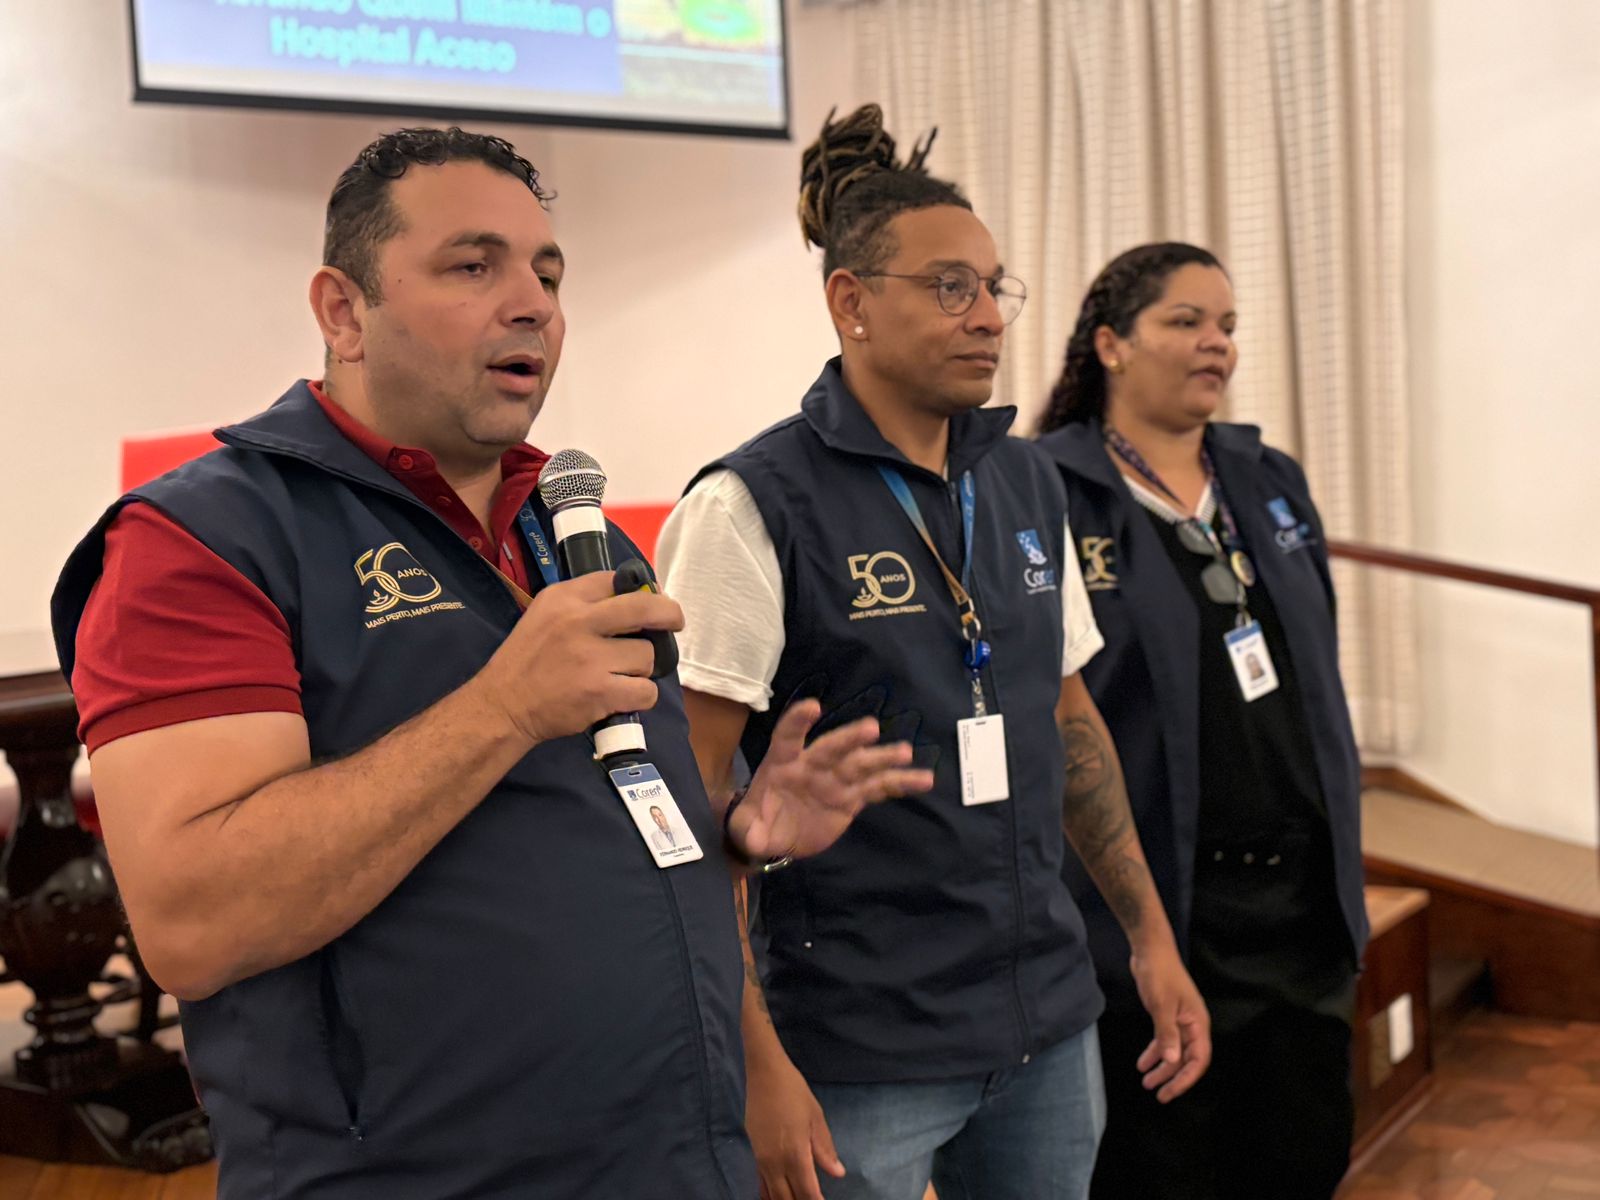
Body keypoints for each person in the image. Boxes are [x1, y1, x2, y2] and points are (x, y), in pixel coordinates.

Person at [49, 127, 932, 1200]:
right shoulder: (204, 539)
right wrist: (503, 710)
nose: (533, 306)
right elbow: (194, 922)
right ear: (342, 311)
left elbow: (619, 829)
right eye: (474, 266)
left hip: (671, 1159)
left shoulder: (577, 535)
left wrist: (737, 836)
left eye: (548, 275)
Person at [656, 106, 1210, 1200]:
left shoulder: (1025, 480)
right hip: (856, 1048)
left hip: (1045, 1023)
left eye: (994, 288)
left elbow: (1069, 724)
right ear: (850, 303)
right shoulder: (749, 507)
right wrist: (754, 1063)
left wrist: (1149, 938)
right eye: (950, 287)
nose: (987, 317)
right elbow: (685, 797)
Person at [1034, 242, 1369, 1199]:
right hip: (1160, 922)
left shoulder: (1267, 478)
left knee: (1303, 1160)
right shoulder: (1048, 489)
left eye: (1226, 325)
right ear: (1111, 344)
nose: (1216, 342)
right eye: (1185, 321)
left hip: (1299, 914)